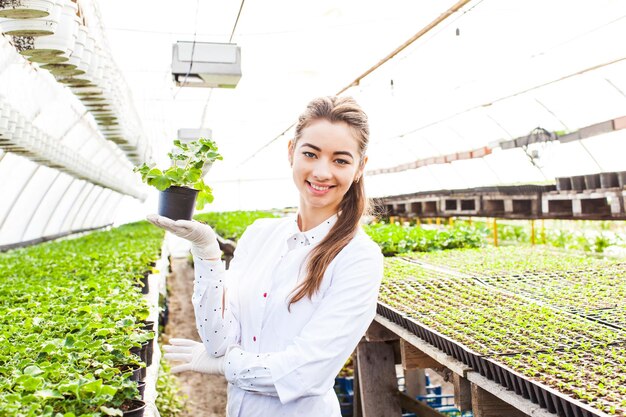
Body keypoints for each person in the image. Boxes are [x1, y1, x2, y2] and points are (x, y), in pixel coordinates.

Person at [147, 96, 383, 417]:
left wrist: (225, 366)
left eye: (340, 160)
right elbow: (219, 341)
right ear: (291, 152)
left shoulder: (358, 258)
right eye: (310, 154)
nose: (321, 171)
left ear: (360, 168)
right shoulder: (260, 234)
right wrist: (207, 254)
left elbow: (304, 374)